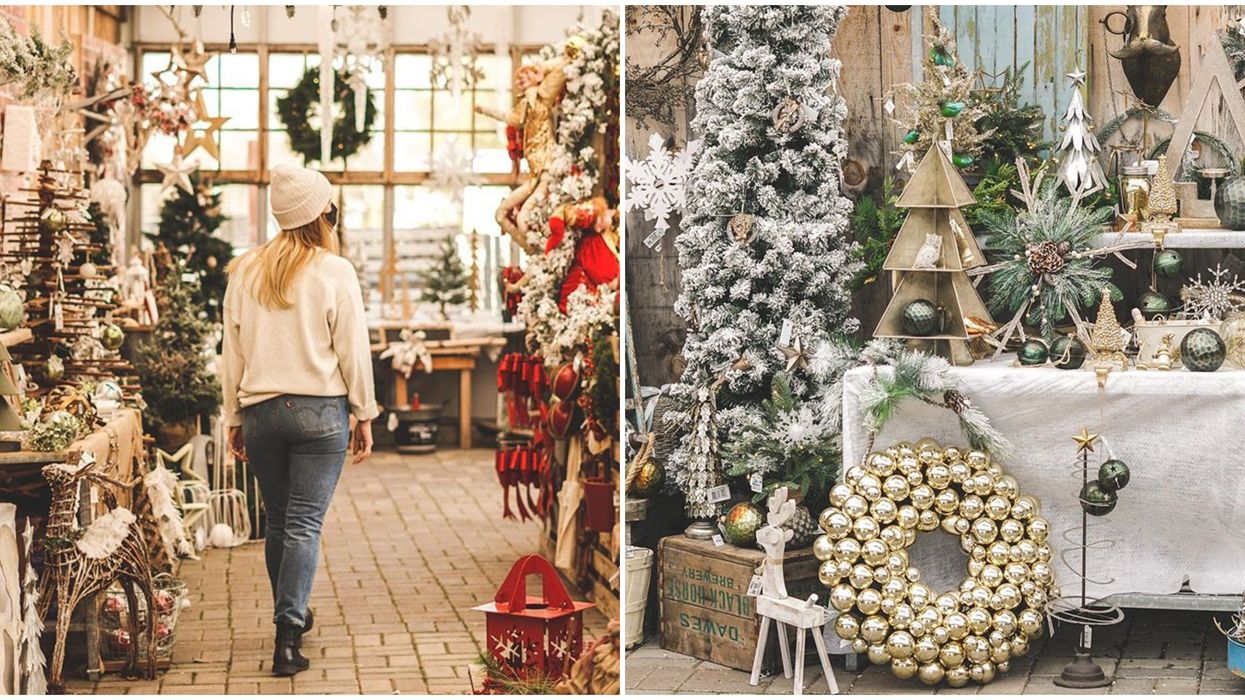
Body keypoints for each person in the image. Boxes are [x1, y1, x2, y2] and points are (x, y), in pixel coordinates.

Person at [220, 165, 378, 677]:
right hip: (319, 412)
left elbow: (232, 353)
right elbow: (353, 350)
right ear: (323, 214)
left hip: (263, 413)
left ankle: (292, 616)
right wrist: (364, 412)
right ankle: (287, 638)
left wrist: (233, 416)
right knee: (304, 525)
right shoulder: (334, 271)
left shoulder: (245, 270)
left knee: (281, 522)